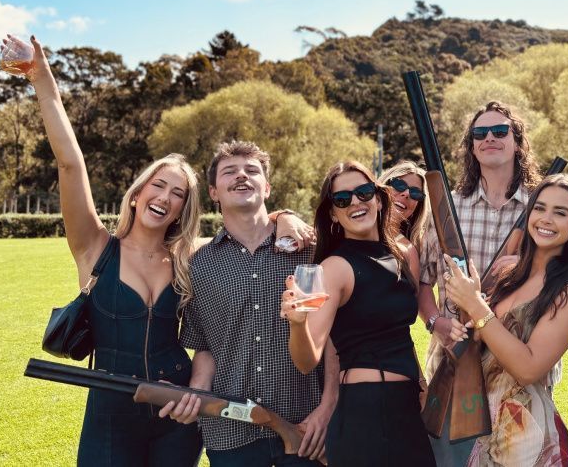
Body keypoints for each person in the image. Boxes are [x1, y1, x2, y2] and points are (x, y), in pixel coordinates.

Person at [15, 33, 203, 465]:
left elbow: (249, 229)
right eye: (159, 184)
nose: (166, 196)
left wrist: (283, 215)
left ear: (181, 210)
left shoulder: (189, 256)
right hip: (110, 411)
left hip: (178, 410)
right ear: (138, 194)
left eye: (178, 193)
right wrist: (43, 80)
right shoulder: (94, 247)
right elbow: (70, 163)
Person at [167, 141, 338, 466]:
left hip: (307, 427)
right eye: (230, 172)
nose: (241, 177)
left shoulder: (311, 252)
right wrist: (197, 392)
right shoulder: (198, 265)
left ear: (267, 186)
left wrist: (328, 406)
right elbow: (203, 343)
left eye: (252, 171)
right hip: (230, 434)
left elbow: (335, 337)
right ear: (214, 192)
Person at [283, 161, 435, 466]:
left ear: (378, 199)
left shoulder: (403, 255)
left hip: (406, 404)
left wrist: (421, 382)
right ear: (333, 213)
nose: (355, 202)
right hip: (367, 411)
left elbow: (400, 334)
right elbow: (305, 360)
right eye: (342, 199)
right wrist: (298, 325)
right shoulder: (335, 268)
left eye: (364, 192)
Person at [417, 101, 541, 465]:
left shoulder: (540, 209)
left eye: (500, 131)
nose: (489, 138)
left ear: (517, 142)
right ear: (471, 146)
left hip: (518, 365)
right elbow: (423, 286)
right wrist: (435, 322)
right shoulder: (446, 209)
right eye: (479, 133)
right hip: (453, 362)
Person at [444, 174, 568, 466]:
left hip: (529, 437)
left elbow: (528, 368)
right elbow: (488, 342)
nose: (546, 219)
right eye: (540, 208)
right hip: (485, 432)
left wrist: (476, 306)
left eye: (560, 213)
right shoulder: (506, 276)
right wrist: (466, 321)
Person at [378, 161, 431, 261]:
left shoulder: (409, 253)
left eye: (415, 193)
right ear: (384, 186)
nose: (406, 193)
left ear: (418, 207)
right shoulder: (354, 229)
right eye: (399, 184)